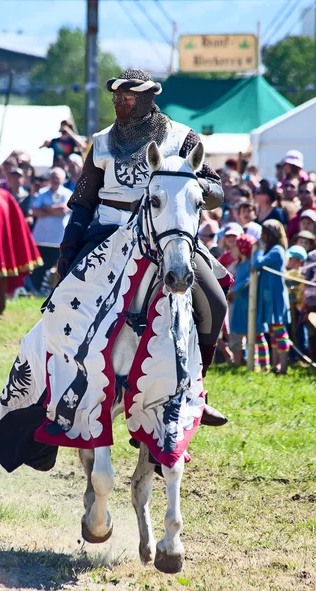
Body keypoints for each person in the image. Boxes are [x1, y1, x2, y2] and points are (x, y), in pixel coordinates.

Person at [57, 69, 228, 426]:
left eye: (129, 98)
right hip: (106, 234)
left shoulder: (183, 138)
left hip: (167, 234)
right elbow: (83, 201)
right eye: (117, 98)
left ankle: (196, 387)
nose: (121, 104)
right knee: (61, 305)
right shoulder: (101, 141)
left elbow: (217, 191)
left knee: (214, 302)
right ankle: (62, 388)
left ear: (148, 99)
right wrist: (68, 249)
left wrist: (193, 182)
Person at [252, 220, 291, 375]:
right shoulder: (274, 249)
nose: (262, 236)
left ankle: (283, 366)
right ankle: (276, 366)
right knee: (274, 334)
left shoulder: (276, 250)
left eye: (264, 233)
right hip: (269, 296)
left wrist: (258, 249)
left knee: (279, 332)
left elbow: (257, 263)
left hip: (275, 297)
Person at [31, 167, 72, 292]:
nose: (54, 180)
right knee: (39, 266)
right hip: (41, 238)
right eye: (52, 177)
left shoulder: (68, 194)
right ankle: (36, 289)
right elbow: (35, 211)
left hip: (58, 239)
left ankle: (53, 289)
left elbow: (63, 210)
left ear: (63, 179)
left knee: (56, 267)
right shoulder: (42, 193)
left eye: (57, 178)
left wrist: (45, 208)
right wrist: (53, 210)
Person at [228, 234, 258, 366]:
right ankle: (237, 361)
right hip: (238, 304)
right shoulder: (239, 264)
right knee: (236, 334)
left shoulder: (249, 264)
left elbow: (248, 280)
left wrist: (233, 291)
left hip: (247, 303)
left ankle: (253, 361)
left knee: (250, 333)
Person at [285, 245, 308, 359]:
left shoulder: (301, 276)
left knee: (299, 333)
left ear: (299, 261)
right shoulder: (287, 274)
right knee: (290, 332)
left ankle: (301, 355)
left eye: (291, 259)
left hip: (298, 309)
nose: (288, 261)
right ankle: (292, 355)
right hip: (290, 308)